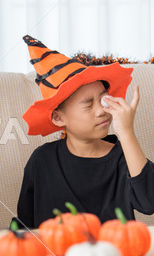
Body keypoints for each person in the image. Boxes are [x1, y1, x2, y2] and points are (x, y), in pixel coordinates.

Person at [16, 35, 154, 228]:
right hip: (57, 254)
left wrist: (127, 133)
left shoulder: (124, 157)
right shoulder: (41, 160)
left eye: (104, 100)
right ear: (58, 118)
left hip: (113, 253)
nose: (101, 111)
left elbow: (149, 203)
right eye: (88, 105)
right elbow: (25, 225)